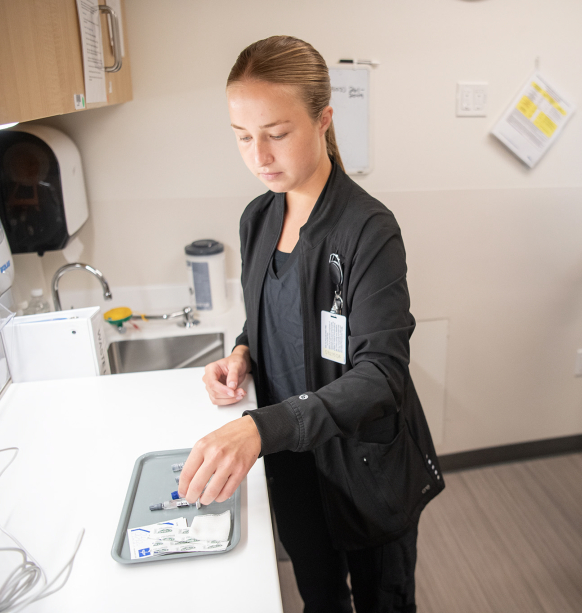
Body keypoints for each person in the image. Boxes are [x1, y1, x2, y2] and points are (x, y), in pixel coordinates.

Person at [178, 36, 444, 613]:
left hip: (364, 465)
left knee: (384, 602)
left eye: (276, 134)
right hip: (294, 463)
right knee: (319, 596)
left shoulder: (367, 229)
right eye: (243, 138)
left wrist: (258, 429)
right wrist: (243, 353)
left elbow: (381, 376)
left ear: (324, 119)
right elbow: (265, 319)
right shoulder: (258, 217)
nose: (260, 156)